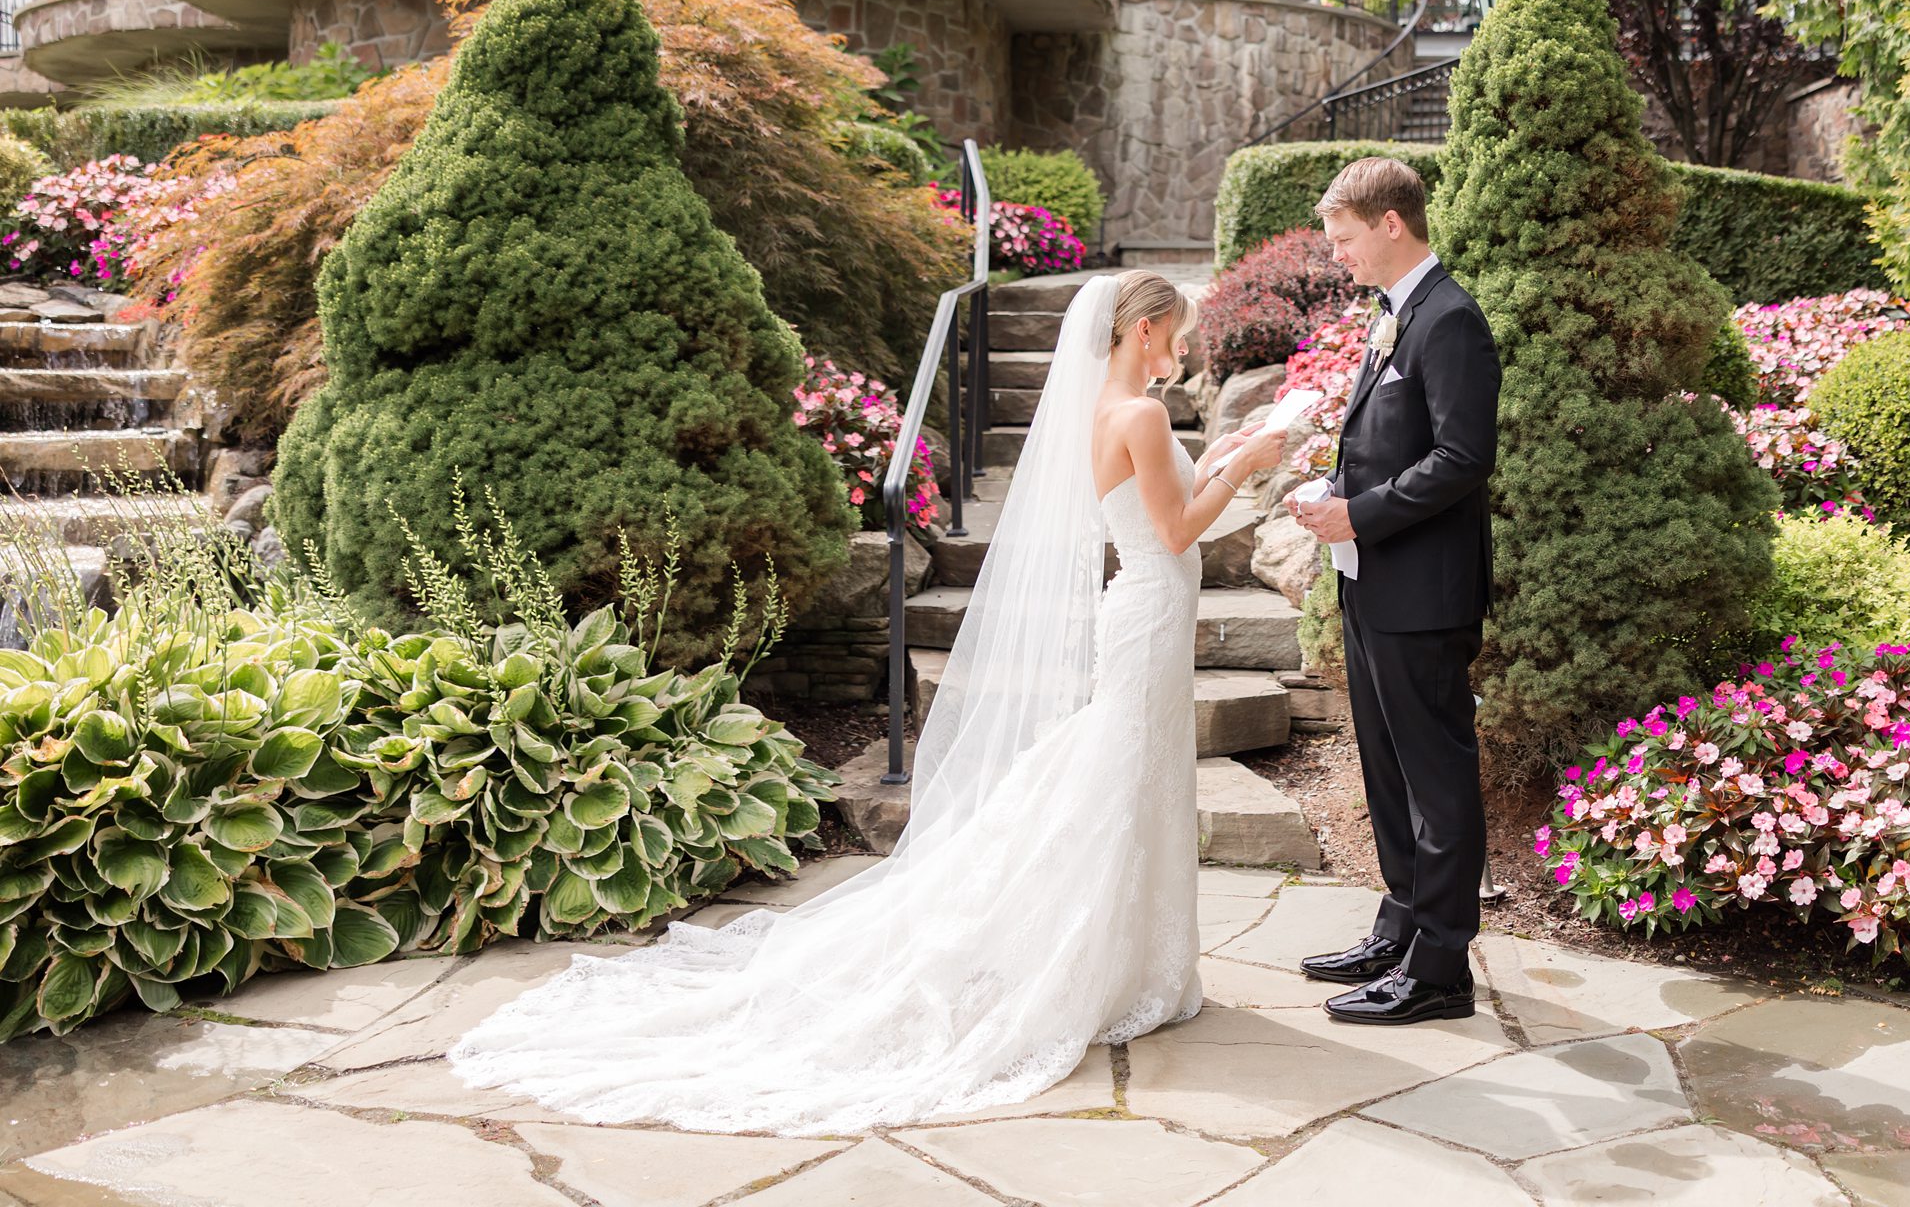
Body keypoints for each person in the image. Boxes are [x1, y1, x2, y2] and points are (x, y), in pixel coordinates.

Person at [449, 273, 1289, 1135]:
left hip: (1144, 609)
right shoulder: (1143, 415)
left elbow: (1167, 514)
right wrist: (1251, 468)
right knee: (1121, 779)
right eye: (1177, 333)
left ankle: (1129, 961)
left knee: (1127, 778)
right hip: (1148, 613)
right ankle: (1097, 960)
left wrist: (1227, 462)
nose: (1183, 349)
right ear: (1143, 330)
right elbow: (1178, 532)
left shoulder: (1105, 408)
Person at [1290, 156, 1500, 1026]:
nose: (1337, 256)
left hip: (1424, 592)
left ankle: (1442, 968)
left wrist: (1359, 515)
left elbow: (1462, 459)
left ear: (1389, 224)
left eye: (1343, 239)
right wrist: (1335, 500)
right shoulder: (1395, 316)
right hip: (1374, 584)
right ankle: (1402, 928)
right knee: (1387, 772)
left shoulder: (1450, 320)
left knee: (1437, 782)